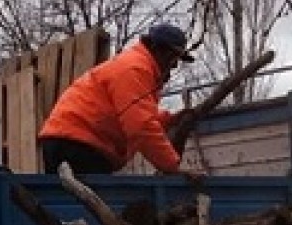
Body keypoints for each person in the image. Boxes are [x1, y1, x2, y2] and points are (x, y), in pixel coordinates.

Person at [37, 23, 199, 177]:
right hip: (79, 144)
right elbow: (140, 125)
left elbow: (136, 114)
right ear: (157, 49)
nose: (174, 65)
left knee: (69, 202)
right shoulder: (135, 69)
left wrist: (169, 120)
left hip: (70, 139)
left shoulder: (134, 64)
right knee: (89, 203)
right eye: (172, 58)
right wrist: (173, 166)